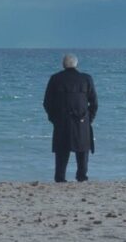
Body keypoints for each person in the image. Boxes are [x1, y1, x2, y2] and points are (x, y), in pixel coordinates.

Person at [43, 54, 98, 182]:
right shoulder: (86, 79)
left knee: (62, 151)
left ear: (63, 65)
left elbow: (47, 103)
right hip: (82, 119)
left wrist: (54, 119)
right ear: (76, 64)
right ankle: (82, 177)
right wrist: (89, 119)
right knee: (83, 150)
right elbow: (94, 103)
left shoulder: (55, 79)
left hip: (62, 121)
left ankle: (60, 178)